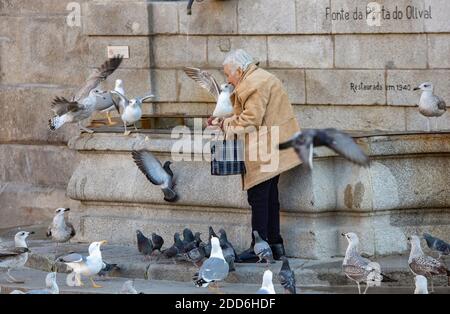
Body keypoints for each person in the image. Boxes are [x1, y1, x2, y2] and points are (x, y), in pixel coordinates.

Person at [210, 49, 301, 262]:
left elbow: (250, 121)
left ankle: (257, 247)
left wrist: (223, 124)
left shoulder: (253, 84)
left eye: (228, 74)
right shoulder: (261, 77)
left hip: (265, 148)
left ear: (239, 70)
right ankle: (275, 244)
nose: (228, 79)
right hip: (276, 144)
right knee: (269, 197)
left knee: (259, 197)